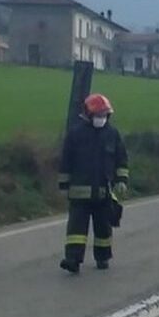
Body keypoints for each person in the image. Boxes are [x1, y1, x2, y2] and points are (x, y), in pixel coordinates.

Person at [57, 93, 128, 274]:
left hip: (104, 192)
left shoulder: (112, 134)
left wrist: (121, 180)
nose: (101, 119)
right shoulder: (76, 134)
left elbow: (121, 159)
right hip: (79, 194)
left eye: (104, 115)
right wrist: (64, 186)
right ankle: (72, 259)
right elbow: (66, 161)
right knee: (76, 231)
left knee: (103, 228)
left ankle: (103, 257)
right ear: (88, 114)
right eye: (98, 115)